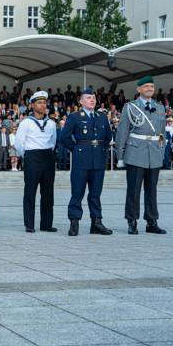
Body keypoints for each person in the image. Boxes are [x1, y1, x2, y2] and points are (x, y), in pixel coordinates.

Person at [115, 76, 167, 235]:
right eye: (146, 86)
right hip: (136, 152)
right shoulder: (130, 107)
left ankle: (152, 221)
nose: (150, 88)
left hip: (154, 154)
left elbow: (162, 133)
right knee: (134, 190)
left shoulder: (160, 107)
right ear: (138, 89)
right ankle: (132, 221)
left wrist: (161, 152)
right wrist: (120, 156)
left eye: (152, 86)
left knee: (152, 190)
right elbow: (122, 132)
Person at [59, 88, 113, 237]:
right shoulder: (75, 116)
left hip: (98, 160)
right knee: (77, 192)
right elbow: (64, 137)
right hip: (81, 160)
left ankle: (96, 222)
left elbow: (108, 137)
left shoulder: (102, 116)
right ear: (81, 101)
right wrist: (76, 150)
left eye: (94, 98)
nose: (92, 100)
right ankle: (74, 222)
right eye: (88, 98)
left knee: (95, 193)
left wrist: (101, 150)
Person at [15, 91, 57, 233]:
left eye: (44, 103)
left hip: (47, 157)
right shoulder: (26, 123)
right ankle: (29, 224)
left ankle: (46, 224)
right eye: (39, 103)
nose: (43, 105)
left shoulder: (51, 123)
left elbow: (53, 142)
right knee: (30, 192)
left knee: (48, 193)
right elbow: (19, 144)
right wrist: (28, 156)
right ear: (32, 105)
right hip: (32, 157)